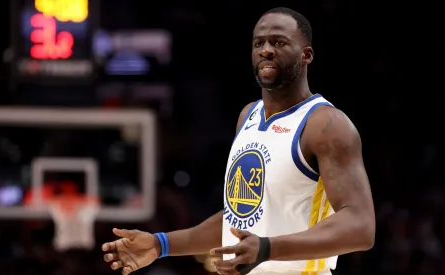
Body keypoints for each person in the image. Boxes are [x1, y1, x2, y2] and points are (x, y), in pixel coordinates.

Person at [102, 7, 375, 275]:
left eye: (279, 42)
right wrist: (161, 244)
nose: (266, 50)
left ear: (306, 55)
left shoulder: (326, 124)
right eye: (259, 42)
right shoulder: (248, 116)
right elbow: (238, 220)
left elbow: (360, 226)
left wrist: (268, 248)